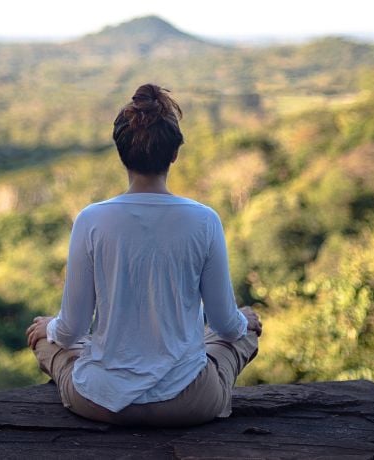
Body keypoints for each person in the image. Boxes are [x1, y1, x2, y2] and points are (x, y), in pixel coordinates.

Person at [26, 83, 262, 427]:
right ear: (174, 154)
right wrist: (243, 321)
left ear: (121, 152)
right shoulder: (204, 220)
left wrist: (51, 327)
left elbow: (72, 330)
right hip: (191, 403)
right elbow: (225, 326)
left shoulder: (91, 219)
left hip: (101, 401)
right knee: (243, 329)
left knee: (46, 339)